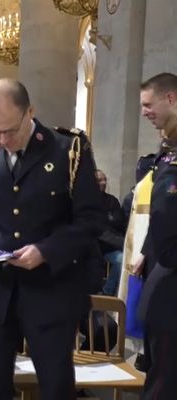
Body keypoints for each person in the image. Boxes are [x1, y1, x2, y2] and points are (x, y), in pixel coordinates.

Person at [0, 78, 102, 400]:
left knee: (55, 386)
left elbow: (91, 218)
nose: (2, 140)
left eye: (9, 130)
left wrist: (46, 250)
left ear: (30, 112)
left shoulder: (67, 151)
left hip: (51, 290)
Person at [136, 72, 177, 397]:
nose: (145, 111)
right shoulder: (168, 144)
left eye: (149, 104)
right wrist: (148, 250)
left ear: (171, 98)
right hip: (163, 276)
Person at [94, 169, 126, 296]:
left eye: (104, 179)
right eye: (99, 180)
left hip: (111, 247)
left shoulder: (112, 201)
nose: (103, 183)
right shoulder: (86, 203)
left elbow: (120, 223)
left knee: (123, 259)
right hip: (94, 248)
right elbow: (98, 231)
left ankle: (107, 292)